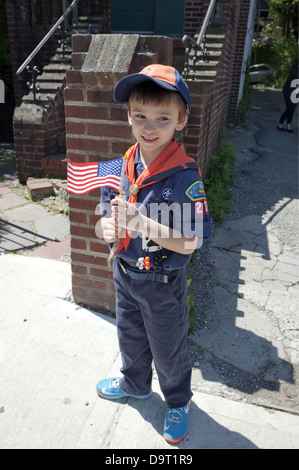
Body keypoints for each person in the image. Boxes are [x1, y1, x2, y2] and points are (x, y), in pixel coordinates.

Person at [96, 64, 212, 444]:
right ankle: (135, 383)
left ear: (181, 120)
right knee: (129, 337)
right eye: (140, 116)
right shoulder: (122, 165)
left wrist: (143, 223)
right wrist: (108, 231)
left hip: (162, 284)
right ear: (128, 117)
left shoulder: (184, 177)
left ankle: (178, 401)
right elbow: (105, 220)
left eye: (163, 118)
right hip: (126, 275)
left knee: (169, 349)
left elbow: (191, 241)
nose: (150, 127)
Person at [277, 61, 298, 133]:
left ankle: (288, 126)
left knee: (292, 110)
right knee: (289, 109)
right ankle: (280, 124)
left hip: (296, 92)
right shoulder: (295, 68)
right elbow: (293, 81)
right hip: (289, 91)